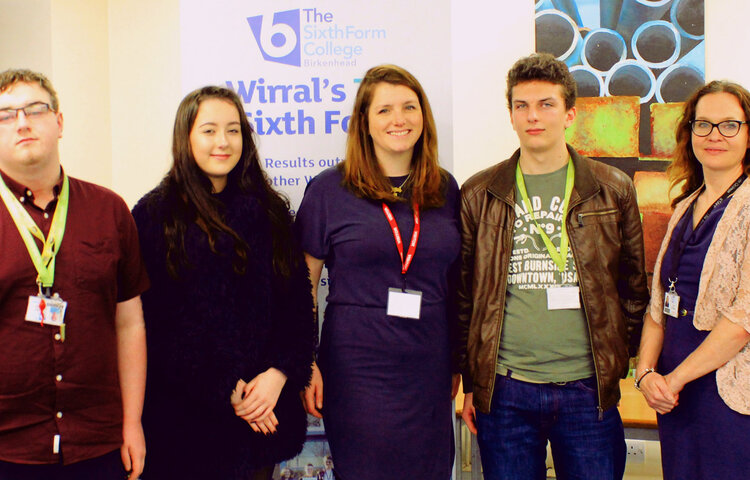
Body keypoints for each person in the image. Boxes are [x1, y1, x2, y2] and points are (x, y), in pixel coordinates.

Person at [457, 53, 649, 479]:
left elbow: (634, 287)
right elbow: (465, 296)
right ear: (510, 115)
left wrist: (616, 364)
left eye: (546, 104)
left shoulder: (612, 189)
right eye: (521, 106)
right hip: (506, 390)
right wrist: (474, 383)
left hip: (587, 389)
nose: (533, 116)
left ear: (570, 115)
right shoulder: (478, 193)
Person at [131, 86, 315, 480]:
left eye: (233, 131)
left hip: (262, 416)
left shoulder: (270, 211)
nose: (223, 142)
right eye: (209, 130)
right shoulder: (155, 215)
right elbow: (155, 323)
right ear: (186, 137)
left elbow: (298, 305)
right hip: (186, 423)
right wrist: (224, 386)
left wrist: (278, 375)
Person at [296, 64, 460, 480]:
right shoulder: (329, 190)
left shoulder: (445, 188)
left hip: (429, 367)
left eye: (409, 107)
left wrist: (459, 362)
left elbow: (458, 283)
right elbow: (303, 284)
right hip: (357, 371)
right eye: (384, 110)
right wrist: (305, 361)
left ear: (424, 117)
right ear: (364, 123)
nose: (399, 119)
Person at [0, 69, 148, 478]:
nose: (23, 123)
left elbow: (129, 323)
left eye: (35, 109)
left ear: (59, 122)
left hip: (99, 441)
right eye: (6, 115)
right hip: (10, 447)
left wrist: (132, 422)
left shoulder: (109, 210)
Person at [635, 80, 750, 479]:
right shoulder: (685, 204)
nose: (714, 135)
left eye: (729, 125)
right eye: (703, 124)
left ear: (749, 134)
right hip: (673, 396)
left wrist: (673, 380)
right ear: (689, 133)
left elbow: (742, 321)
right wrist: (646, 372)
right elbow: (658, 305)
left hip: (727, 394)